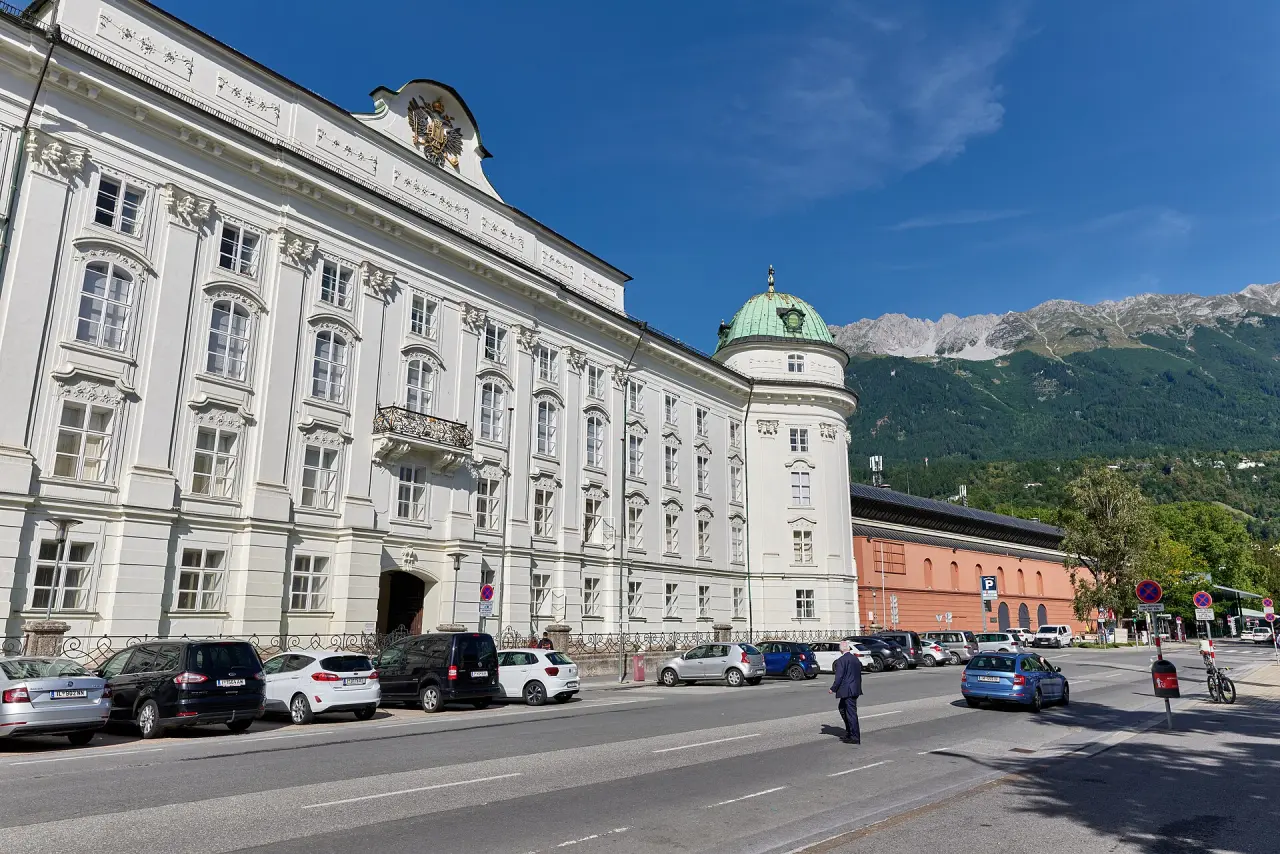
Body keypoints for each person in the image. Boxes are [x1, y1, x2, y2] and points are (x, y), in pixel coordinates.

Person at [828, 639, 863, 745]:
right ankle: (849, 732)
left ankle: (854, 736)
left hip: (847, 690)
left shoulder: (841, 661)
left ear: (840, 650)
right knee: (842, 708)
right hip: (854, 689)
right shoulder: (855, 659)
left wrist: (833, 688)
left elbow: (839, 677)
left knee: (850, 713)